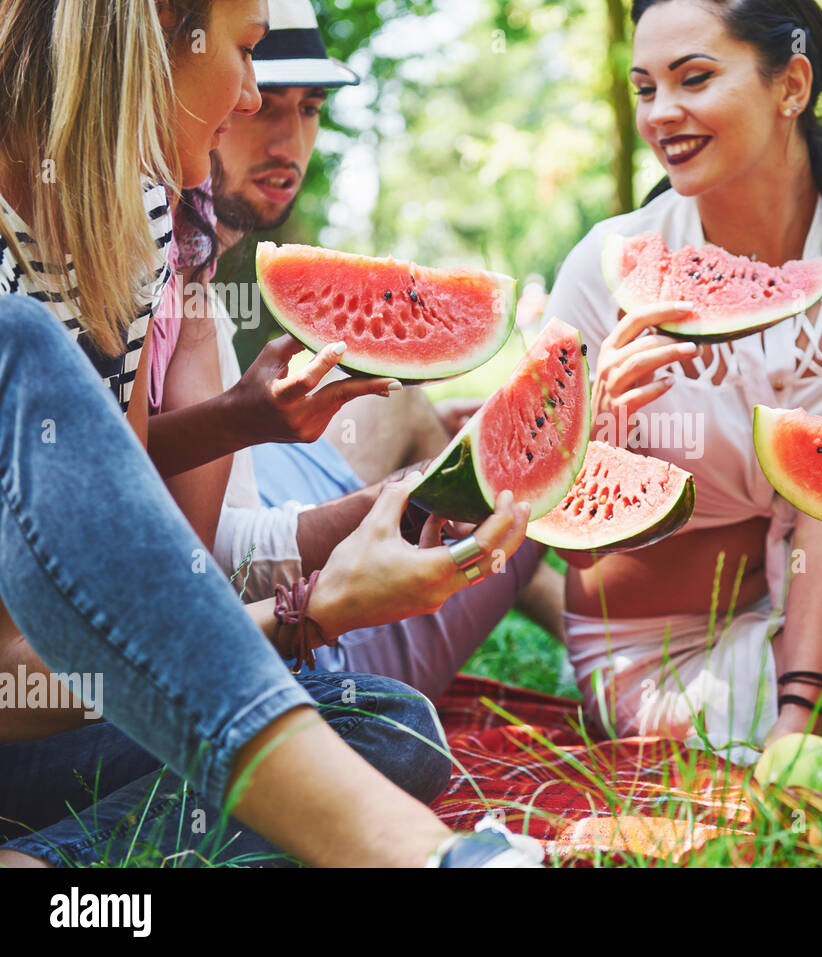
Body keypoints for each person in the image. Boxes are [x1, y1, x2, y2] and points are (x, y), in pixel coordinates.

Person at [0, 0, 537, 868]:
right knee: (17, 337)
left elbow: (127, 557)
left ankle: (46, 866)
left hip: (50, 721)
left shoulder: (137, 223)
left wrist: (364, 517)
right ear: (162, 30)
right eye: (248, 56)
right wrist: (308, 613)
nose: (251, 98)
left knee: (387, 722)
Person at [545, 0, 822, 759]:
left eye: (692, 78)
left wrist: (796, 709)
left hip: (813, 619)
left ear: (792, 85)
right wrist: (593, 431)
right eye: (644, 89)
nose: (662, 113)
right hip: (654, 657)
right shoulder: (606, 266)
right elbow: (562, 538)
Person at [152, 0, 563, 702]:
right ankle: (577, 621)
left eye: (310, 107)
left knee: (406, 406)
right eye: (261, 101)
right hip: (249, 644)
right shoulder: (151, 276)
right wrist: (416, 491)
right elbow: (210, 563)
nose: (289, 139)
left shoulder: (197, 287)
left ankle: (549, 597)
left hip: (246, 545)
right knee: (523, 498)